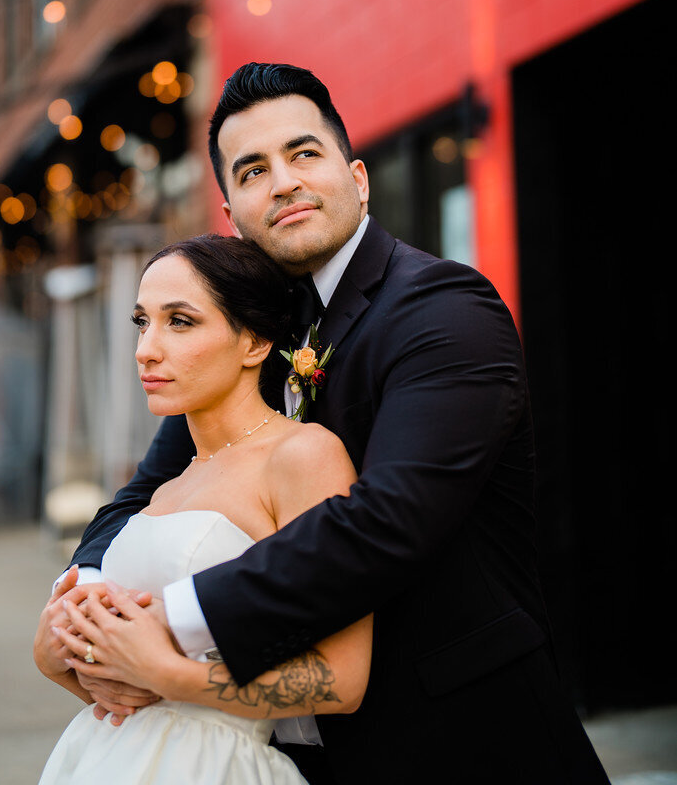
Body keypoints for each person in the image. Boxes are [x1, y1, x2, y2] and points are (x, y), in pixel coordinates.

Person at [36, 62, 610, 785]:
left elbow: (384, 522)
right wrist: (84, 599)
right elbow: (143, 494)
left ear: (358, 178)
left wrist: (171, 630)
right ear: (232, 213)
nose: (281, 182)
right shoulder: (251, 337)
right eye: (251, 171)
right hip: (296, 753)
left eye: (303, 153)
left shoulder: (443, 310)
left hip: (463, 735)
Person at [38, 234, 372, 785]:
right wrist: (54, 656)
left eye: (181, 322)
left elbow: (341, 679)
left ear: (256, 341)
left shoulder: (303, 457)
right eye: (142, 322)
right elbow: (108, 670)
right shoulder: (166, 487)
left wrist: (170, 674)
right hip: (102, 755)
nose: (147, 348)